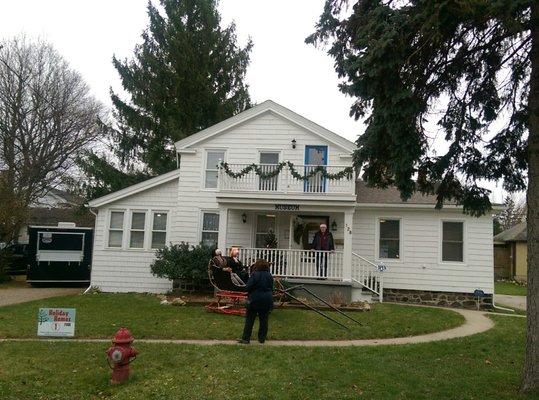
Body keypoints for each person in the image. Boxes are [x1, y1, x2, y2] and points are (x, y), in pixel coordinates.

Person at [238, 259, 274, 344]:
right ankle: (261, 339)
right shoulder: (269, 276)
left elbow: (248, 287)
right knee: (264, 320)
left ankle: (246, 338)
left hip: (255, 299)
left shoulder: (255, 275)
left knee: (250, 319)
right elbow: (272, 288)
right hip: (267, 299)